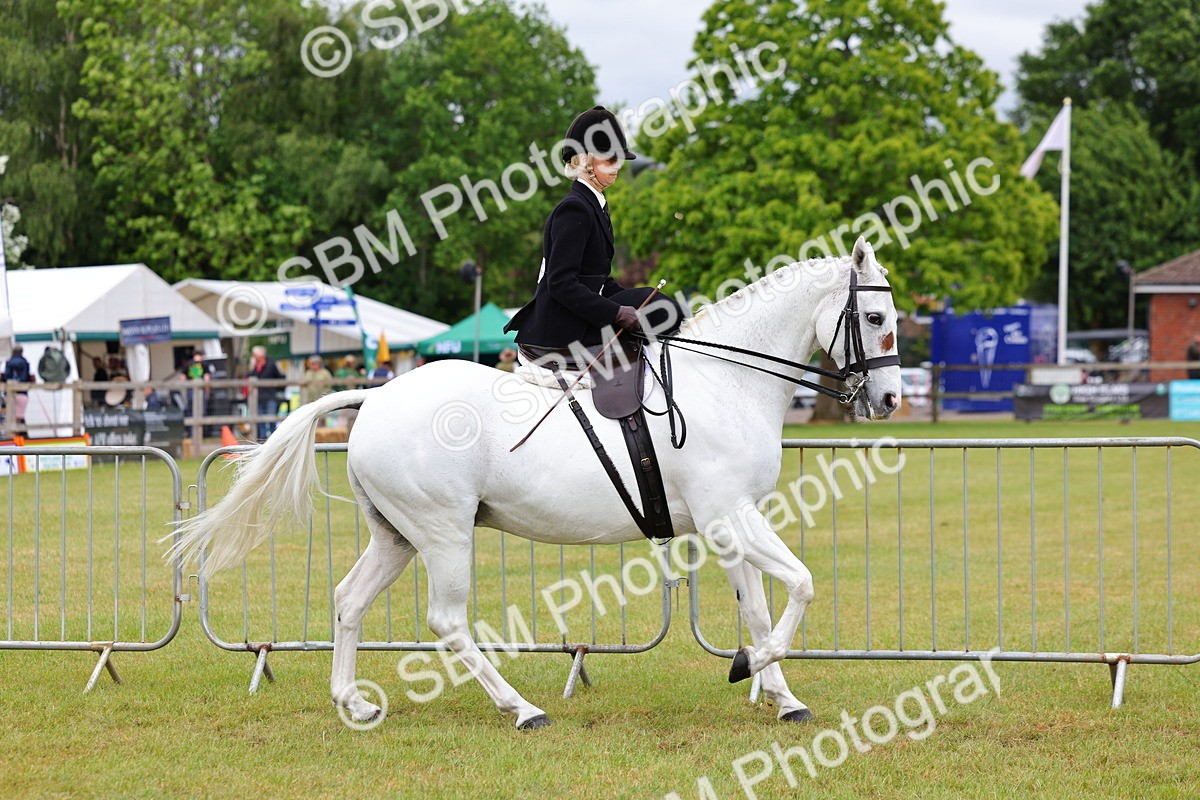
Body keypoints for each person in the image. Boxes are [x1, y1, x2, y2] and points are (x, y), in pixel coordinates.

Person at [504, 106, 682, 364]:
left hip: (580, 315)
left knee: (656, 302)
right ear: (585, 161)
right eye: (610, 160)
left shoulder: (595, 204)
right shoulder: (574, 207)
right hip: (559, 326)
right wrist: (617, 312)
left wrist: (627, 302)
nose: (617, 167)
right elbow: (561, 283)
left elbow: (597, 280)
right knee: (661, 309)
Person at [248, 345, 284, 440]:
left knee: (271, 420)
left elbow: (279, 377)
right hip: (258, 398)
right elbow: (250, 377)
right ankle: (263, 441)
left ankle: (274, 440)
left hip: (270, 396)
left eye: (255, 355)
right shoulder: (256, 367)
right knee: (260, 422)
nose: (254, 357)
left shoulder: (271, 364)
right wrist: (253, 367)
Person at [1, 346, 33, 429]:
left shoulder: (7, 363)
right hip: (22, 393)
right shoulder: (26, 363)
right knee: (19, 419)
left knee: (10, 417)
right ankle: (21, 437)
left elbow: (3, 376)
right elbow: (30, 377)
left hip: (8, 394)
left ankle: (11, 437)